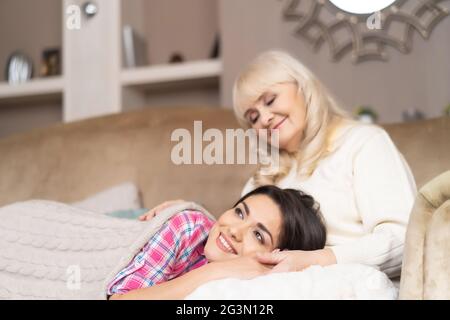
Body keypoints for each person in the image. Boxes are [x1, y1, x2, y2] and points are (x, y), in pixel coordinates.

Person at [141, 50, 416, 280]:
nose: (265, 118)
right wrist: (188, 217)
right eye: (253, 116)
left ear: (302, 86)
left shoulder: (363, 144)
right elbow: (239, 245)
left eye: (270, 100)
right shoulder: (264, 179)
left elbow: (407, 241)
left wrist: (314, 260)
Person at [109, 185, 326, 300]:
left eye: (258, 235)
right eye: (240, 213)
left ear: (277, 255)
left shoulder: (260, 286)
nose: (233, 230)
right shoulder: (186, 226)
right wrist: (213, 272)